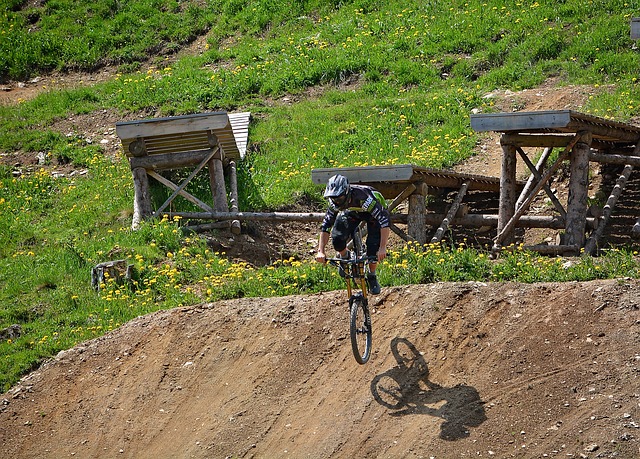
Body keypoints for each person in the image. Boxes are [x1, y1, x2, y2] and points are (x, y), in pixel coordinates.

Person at [315, 174, 390, 295]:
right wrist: (321, 251)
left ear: (347, 193)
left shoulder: (365, 198)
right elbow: (326, 226)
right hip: (352, 213)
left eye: (339, 198)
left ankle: (372, 275)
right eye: (333, 199)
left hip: (373, 214)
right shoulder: (334, 203)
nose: (336, 201)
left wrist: (382, 248)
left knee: (373, 248)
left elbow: (384, 222)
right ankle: (344, 257)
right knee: (337, 239)